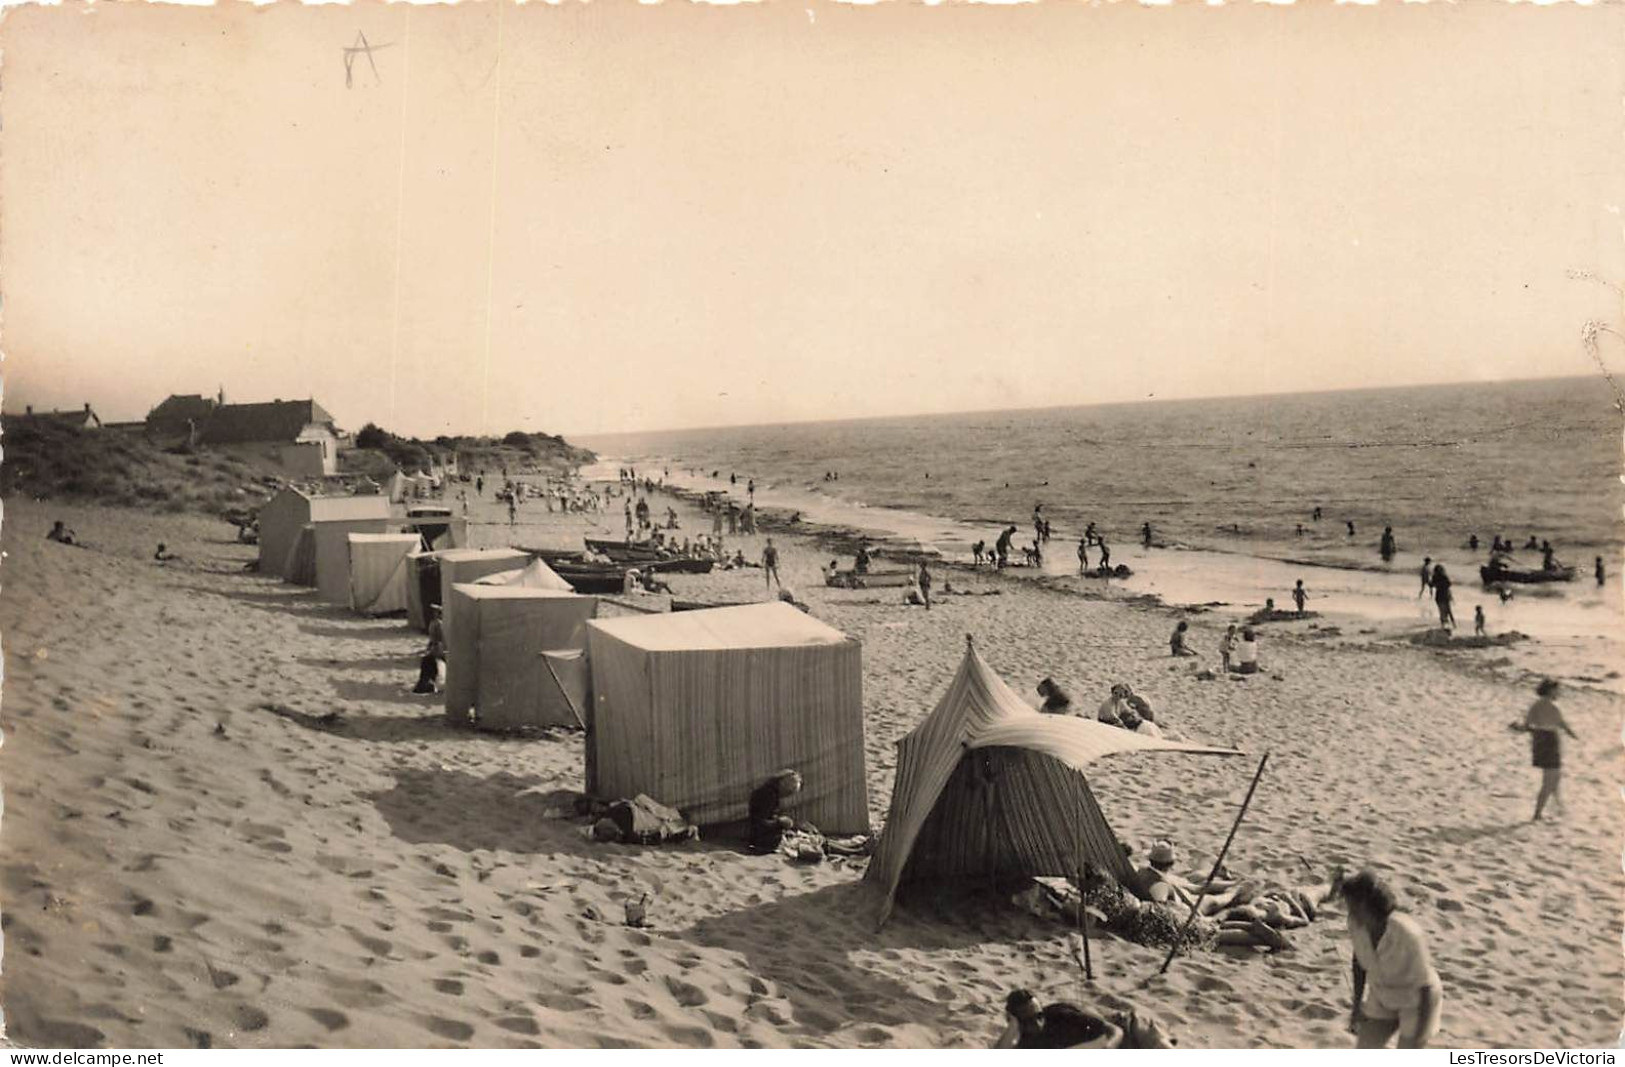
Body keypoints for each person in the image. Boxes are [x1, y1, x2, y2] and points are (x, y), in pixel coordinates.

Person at [1341, 870, 1443, 1048]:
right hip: (1382, 995)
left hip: (1416, 1000)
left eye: (1352, 905)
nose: (1349, 911)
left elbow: (1425, 987)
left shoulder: (1406, 934)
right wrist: (1356, 1007)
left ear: (1366, 905)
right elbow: (1358, 960)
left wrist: (1418, 1039)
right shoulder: (1356, 924)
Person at [1509, 678, 1578, 822]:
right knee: (1551, 779)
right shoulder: (1554, 707)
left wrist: (1515, 727)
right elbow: (1563, 726)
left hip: (1538, 741)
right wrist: (1576, 737)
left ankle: (1559, 808)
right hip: (1550, 741)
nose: (1560, 692)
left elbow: (1527, 726)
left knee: (1553, 778)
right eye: (1558, 690)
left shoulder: (1534, 705)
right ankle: (1538, 814)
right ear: (1551, 690)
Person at [994, 990, 1122, 1050]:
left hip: (1122, 1031)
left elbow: (1115, 1030)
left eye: (1039, 1016)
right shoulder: (1021, 1040)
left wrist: (1108, 1047)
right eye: (1028, 1021)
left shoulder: (1060, 1016)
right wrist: (1012, 1026)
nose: (1037, 1024)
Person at [748, 769, 802, 854]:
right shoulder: (768, 795)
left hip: (758, 835)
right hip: (761, 840)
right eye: (789, 792)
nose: (787, 795)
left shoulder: (768, 791)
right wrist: (781, 822)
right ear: (783, 784)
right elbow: (760, 822)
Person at [1431, 565, 1455, 629]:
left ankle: (1443, 624)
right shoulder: (1444, 576)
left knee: (1441, 611)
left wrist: (1436, 585)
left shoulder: (1435, 577)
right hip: (1445, 594)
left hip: (1439, 595)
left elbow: (1431, 585)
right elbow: (1449, 584)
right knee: (1448, 610)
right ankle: (1453, 624)